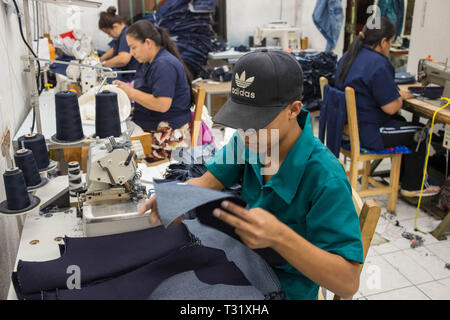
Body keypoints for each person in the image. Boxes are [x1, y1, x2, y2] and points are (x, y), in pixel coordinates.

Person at [138, 50, 364, 300]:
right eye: (241, 120)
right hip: (239, 262)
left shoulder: (325, 178)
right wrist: (176, 197)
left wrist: (280, 237)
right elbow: (207, 183)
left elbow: (348, 283)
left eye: (257, 120)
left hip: (284, 289)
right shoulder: (250, 139)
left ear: (293, 109)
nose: (245, 131)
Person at [335, 17, 440, 197]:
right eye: (391, 43)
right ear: (383, 41)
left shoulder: (348, 55)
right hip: (367, 133)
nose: (390, 47)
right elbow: (391, 108)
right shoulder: (378, 63)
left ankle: (401, 179)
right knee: (420, 133)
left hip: (345, 129)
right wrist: (398, 97)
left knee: (400, 121)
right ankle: (413, 186)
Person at [114, 20, 194, 161]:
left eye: (134, 48)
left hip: (167, 136)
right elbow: (148, 91)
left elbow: (162, 105)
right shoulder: (149, 62)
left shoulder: (164, 65)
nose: (131, 53)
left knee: (116, 157)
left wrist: (130, 92)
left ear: (148, 43)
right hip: (153, 124)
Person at [98, 6, 139, 82]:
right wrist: (100, 60)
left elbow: (123, 59)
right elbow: (114, 49)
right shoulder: (122, 33)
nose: (109, 36)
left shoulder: (126, 35)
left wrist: (103, 64)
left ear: (115, 26)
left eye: (109, 32)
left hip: (132, 77)